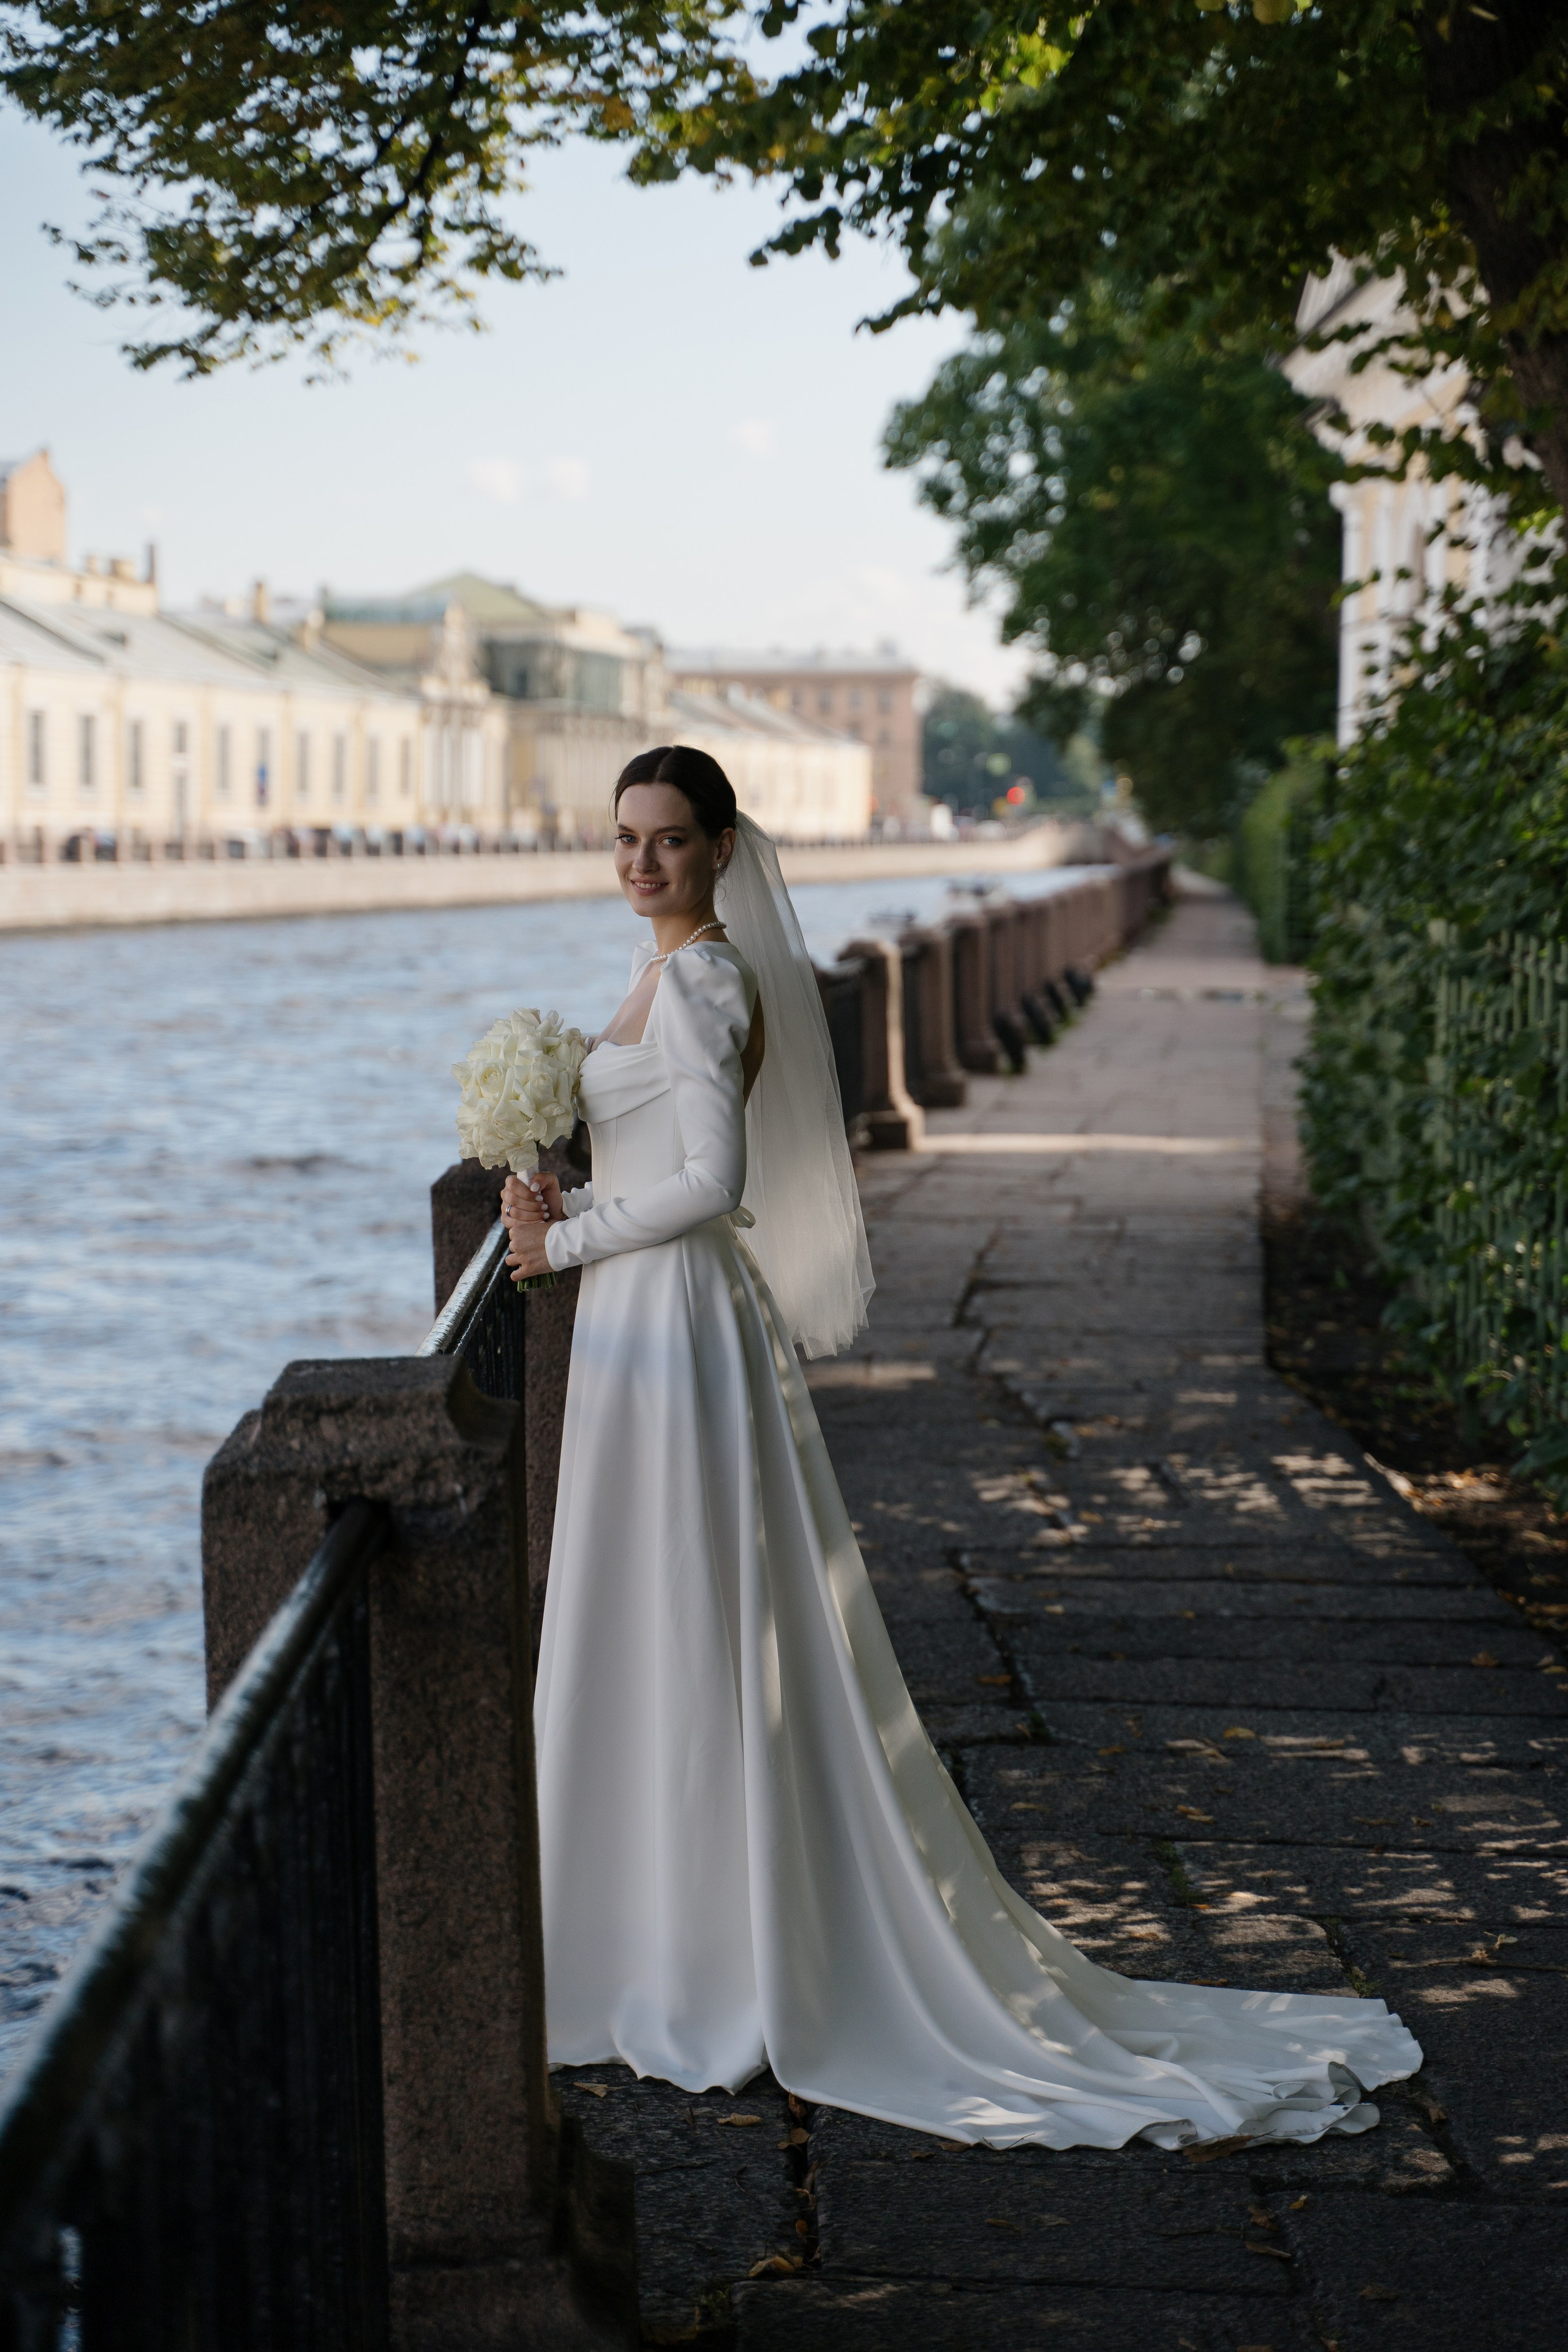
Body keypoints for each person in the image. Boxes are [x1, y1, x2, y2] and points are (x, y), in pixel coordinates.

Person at [499, 744, 1420, 2150]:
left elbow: (709, 1181)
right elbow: (656, 1147)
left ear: (722, 850)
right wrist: (559, 1167)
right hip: (652, 1326)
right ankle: (675, 1926)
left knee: (678, 1612)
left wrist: (557, 1239)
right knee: (675, 1614)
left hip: (670, 1319)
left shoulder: (699, 979)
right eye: (624, 838)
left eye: (668, 842)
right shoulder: (668, 970)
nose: (639, 864)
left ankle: (686, 1952)